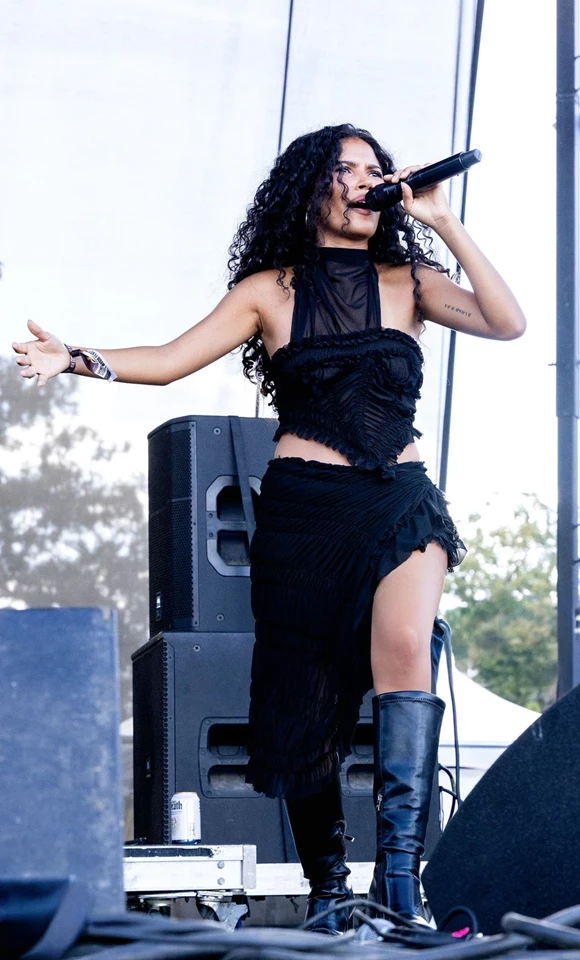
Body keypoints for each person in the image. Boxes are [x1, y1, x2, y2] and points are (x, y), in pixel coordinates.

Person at [12, 123, 526, 932]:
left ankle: (399, 881)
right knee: (305, 695)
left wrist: (443, 221)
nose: (364, 181)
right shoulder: (269, 290)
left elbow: (507, 322)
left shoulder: (410, 279)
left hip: (399, 499)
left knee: (404, 656)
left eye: (373, 170)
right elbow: (173, 355)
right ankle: (329, 889)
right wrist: (78, 356)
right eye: (345, 169)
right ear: (312, 186)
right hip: (302, 513)